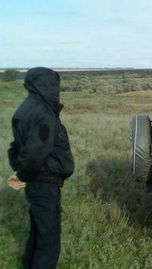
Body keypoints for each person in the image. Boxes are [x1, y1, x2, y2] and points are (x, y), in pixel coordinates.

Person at [7, 67, 74, 269]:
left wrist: (21, 172)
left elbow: (16, 147)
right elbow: (35, 153)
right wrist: (22, 175)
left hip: (38, 181)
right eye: (54, 85)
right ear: (45, 86)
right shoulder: (43, 114)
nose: (56, 90)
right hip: (44, 182)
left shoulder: (26, 108)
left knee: (38, 231)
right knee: (49, 239)